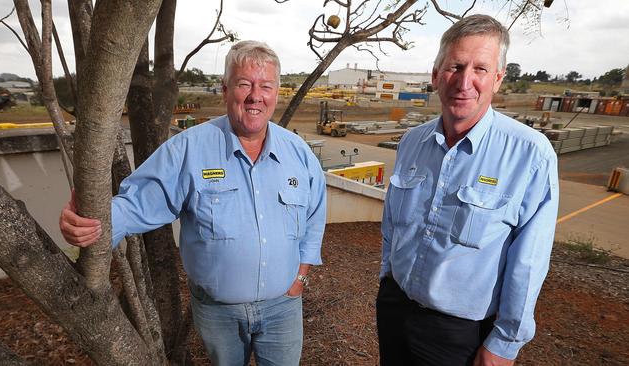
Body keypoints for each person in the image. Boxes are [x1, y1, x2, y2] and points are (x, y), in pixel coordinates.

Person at [60, 40, 327, 366]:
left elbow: (315, 216)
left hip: (283, 308)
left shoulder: (298, 153)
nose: (255, 95)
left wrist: (300, 278)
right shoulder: (188, 150)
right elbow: (137, 203)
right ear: (225, 89)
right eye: (244, 84)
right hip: (219, 314)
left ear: (277, 93)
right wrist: (93, 224)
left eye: (266, 86)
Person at [377, 15, 559, 366]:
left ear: (498, 79)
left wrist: (504, 343)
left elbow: (530, 260)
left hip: (459, 334)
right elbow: (393, 225)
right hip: (394, 309)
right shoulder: (412, 142)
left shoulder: (530, 155)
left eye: (480, 69)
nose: (464, 81)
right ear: (435, 74)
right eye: (455, 66)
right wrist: (387, 278)